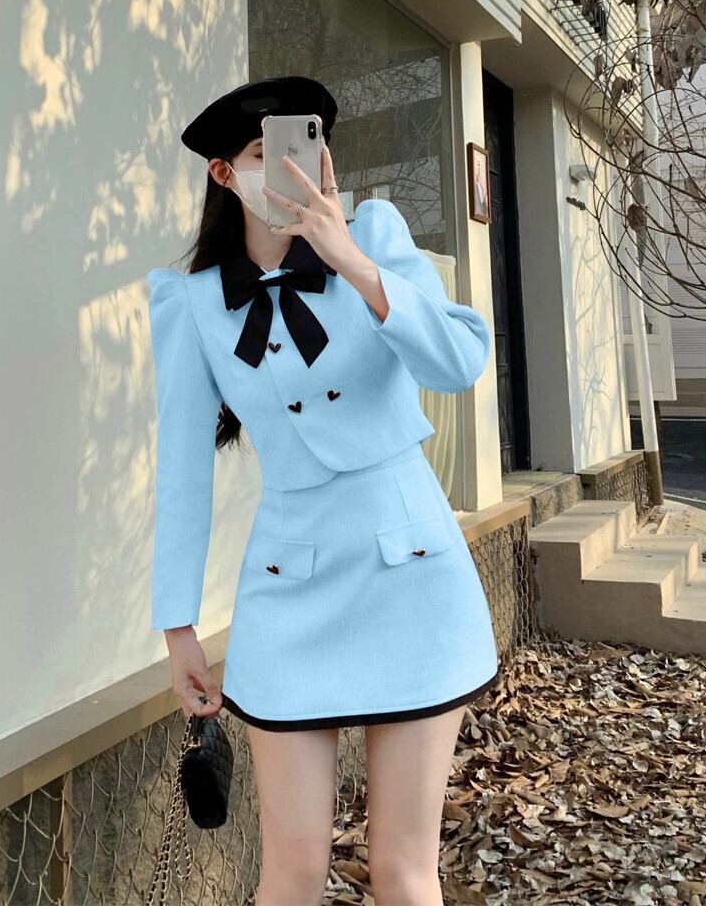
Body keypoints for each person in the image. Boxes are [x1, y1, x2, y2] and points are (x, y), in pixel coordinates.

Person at [146, 75, 500, 906]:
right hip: (289, 592)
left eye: (304, 147)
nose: (290, 169)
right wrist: (177, 626)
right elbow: (182, 469)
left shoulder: (374, 234)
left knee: (402, 869)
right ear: (224, 174)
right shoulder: (193, 304)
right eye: (265, 153)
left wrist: (352, 262)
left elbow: (458, 363)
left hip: (413, 574)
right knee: (294, 870)